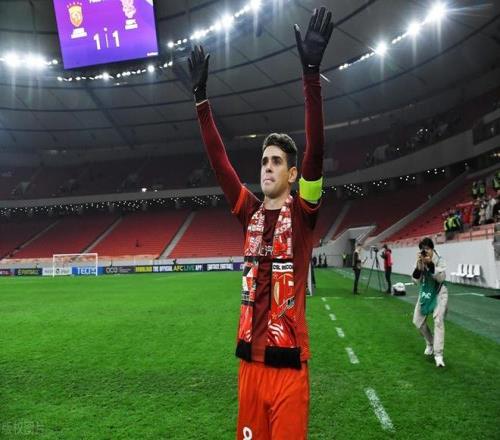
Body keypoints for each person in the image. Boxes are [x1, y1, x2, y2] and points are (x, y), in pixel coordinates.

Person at [188, 7, 333, 439]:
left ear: (293, 173)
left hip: (289, 370)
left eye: (276, 162)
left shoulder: (303, 214)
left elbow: (316, 151)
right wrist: (201, 101)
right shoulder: (249, 212)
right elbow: (219, 163)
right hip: (248, 367)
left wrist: (310, 75)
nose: (267, 167)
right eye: (264, 161)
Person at [412, 237, 448, 367]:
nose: (425, 251)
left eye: (427, 249)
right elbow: (415, 281)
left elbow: (441, 278)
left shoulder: (440, 260)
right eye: (423, 249)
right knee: (417, 321)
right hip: (426, 292)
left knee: (438, 321)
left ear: (432, 249)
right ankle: (431, 342)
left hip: (439, 293)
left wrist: (431, 264)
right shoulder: (420, 260)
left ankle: (438, 355)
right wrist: (418, 267)